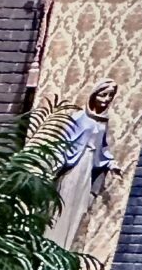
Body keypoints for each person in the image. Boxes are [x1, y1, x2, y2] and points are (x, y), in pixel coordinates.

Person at [49, 79, 118, 254]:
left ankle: (64, 249)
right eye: (103, 95)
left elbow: (102, 149)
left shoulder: (102, 122)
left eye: (110, 96)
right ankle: (50, 244)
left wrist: (110, 163)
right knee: (63, 203)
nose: (106, 99)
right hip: (73, 167)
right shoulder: (79, 118)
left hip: (87, 167)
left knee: (77, 208)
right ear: (94, 95)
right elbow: (64, 142)